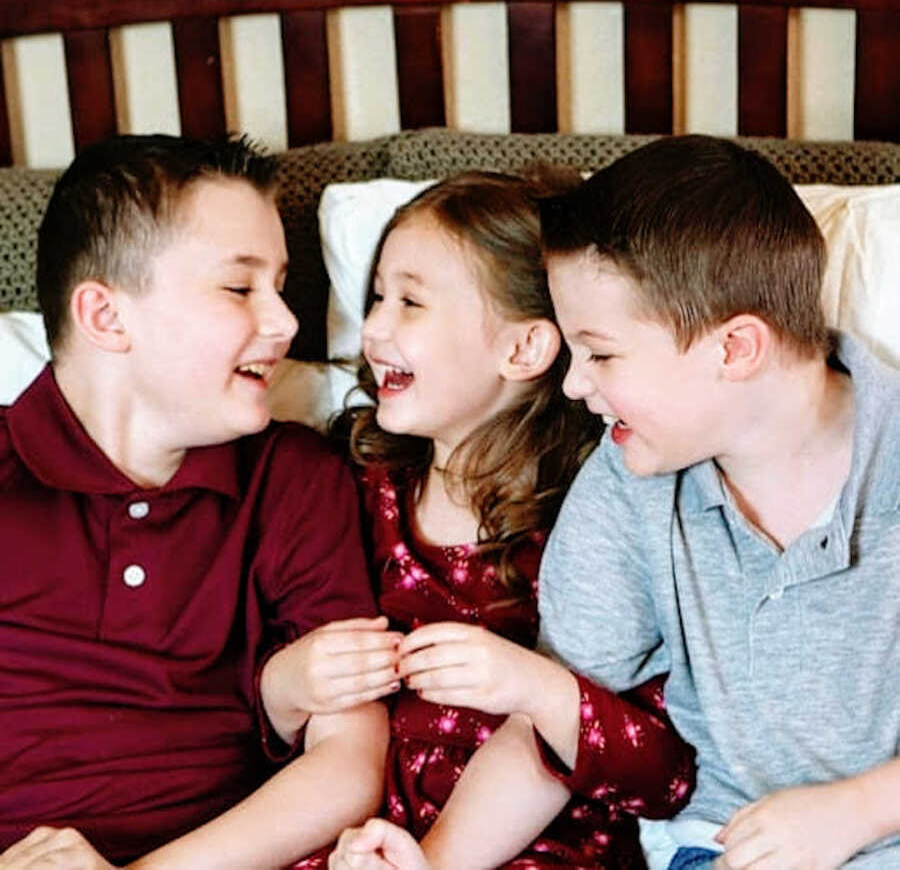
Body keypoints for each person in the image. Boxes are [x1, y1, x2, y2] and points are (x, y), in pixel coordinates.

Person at [358, 134, 900, 870]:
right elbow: (553, 723)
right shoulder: (628, 477)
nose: (576, 385)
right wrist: (437, 862)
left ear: (736, 349)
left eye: (602, 353)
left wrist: (860, 809)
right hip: (720, 849)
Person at [0, 134, 396, 868]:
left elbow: (348, 766)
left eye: (280, 286)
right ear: (107, 317)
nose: (284, 323)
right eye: (240, 288)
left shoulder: (294, 479)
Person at [323, 171, 695, 869]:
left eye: (410, 301)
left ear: (523, 349)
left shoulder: (590, 532)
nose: (373, 329)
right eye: (376, 297)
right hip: (360, 842)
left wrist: (533, 684)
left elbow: (668, 774)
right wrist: (286, 687)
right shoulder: (357, 493)